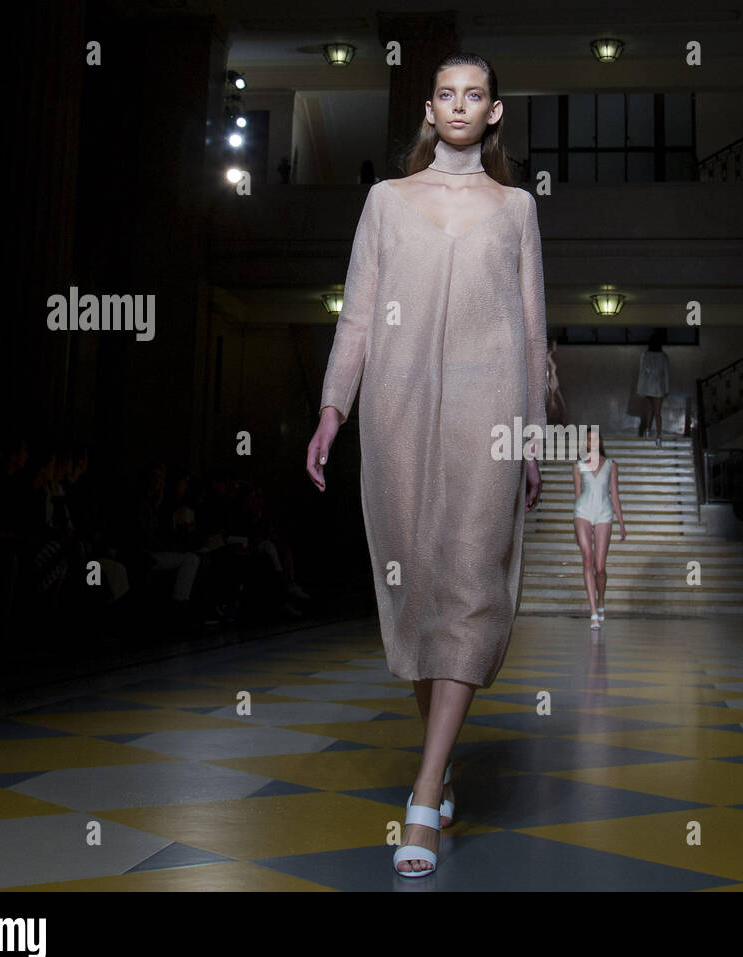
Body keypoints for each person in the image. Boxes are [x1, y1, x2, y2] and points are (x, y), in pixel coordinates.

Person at [304, 53, 547, 877]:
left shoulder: (515, 208)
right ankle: (436, 767)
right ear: (429, 107)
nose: (458, 105)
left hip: (492, 410)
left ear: (495, 111)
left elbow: (533, 327)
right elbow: (359, 313)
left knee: (471, 580)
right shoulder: (386, 201)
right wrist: (334, 406)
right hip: (398, 407)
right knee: (415, 588)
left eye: (474, 94)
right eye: (446, 93)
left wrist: (535, 435)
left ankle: (422, 795)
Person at [572, 427, 625, 630]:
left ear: (599, 441)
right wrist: (573, 526)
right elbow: (577, 495)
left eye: (593, 439)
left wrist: (621, 522)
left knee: (600, 566)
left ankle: (601, 600)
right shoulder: (578, 466)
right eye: (587, 440)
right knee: (587, 559)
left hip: (604, 512)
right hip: (583, 511)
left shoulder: (611, 465)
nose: (590, 443)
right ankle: (593, 612)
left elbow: (615, 495)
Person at [636, 332, 671, 445]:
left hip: (648, 387)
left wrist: (640, 388)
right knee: (657, 412)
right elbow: (666, 374)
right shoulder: (663, 357)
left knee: (649, 410)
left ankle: (647, 430)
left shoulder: (645, 355)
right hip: (658, 387)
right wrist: (666, 389)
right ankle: (659, 435)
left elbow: (642, 373)